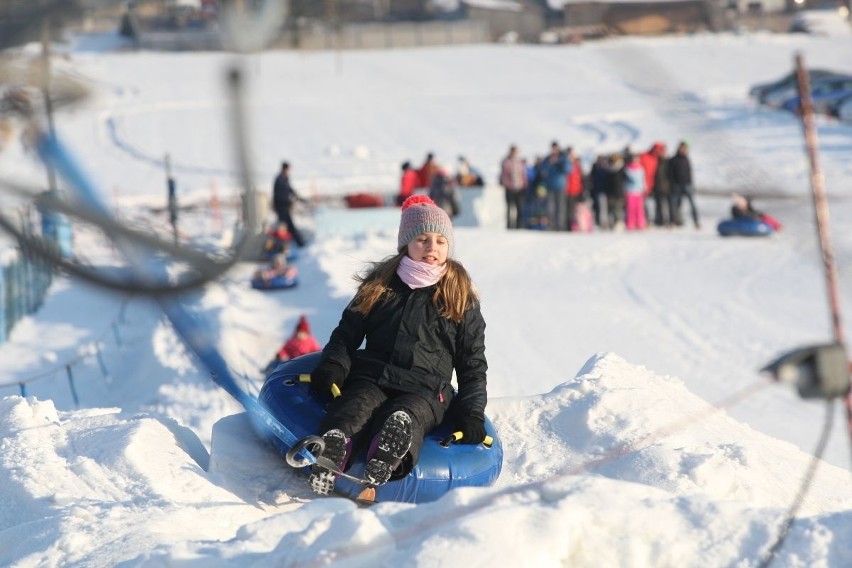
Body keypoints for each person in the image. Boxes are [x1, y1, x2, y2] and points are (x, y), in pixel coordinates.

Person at [306, 194, 488, 495]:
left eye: (441, 241)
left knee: (406, 415)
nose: (432, 248)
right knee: (354, 406)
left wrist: (471, 412)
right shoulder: (380, 285)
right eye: (422, 239)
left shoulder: (459, 295)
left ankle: (389, 455)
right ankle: (334, 451)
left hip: (427, 389)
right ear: (406, 243)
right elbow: (347, 333)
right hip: (373, 375)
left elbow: (472, 362)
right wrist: (334, 365)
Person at [272, 161, 307, 247]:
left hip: (285, 207)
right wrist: (287, 201)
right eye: (288, 169)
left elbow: (290, 190)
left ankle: (295, 244)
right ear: (284, 169)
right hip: (281, 208)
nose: (289, 171)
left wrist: (299, 198)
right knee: (285, 227)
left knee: (287, 227)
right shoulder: (279, 179)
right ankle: (299, 244)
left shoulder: (285, 178)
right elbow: (278, 195)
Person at [669, 141, 700, 230]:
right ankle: (672, 222)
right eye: (682, 148)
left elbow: (689, 173)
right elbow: (670, 173)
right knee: (674, 205)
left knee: (692, 204)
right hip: (676, 185)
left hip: (687, 185)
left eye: (685, 149)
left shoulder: (686, 159)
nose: (683, 150)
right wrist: (673, 184)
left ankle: (696, 222)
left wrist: (691, 183)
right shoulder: (674, 160)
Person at [499, 145, 528, 229]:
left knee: (519, 207)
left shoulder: (520, 162)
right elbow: (504, 175)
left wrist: (524, 184)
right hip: (509, 188)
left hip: (519, 188)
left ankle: (518, 226)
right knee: (509, 208)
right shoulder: (506, 162)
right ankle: (509, 226)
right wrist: (507, 184)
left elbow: (523, 175)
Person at [622, 152, 647, 231]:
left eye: (636, 159)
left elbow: (642, 180)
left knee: (639, 209)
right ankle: (630, 224)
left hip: (639, 192)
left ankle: (640, 224)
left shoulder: (641, 169)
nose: (635, 161)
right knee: (630, 209)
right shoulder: (627, 169)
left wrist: (644, 188)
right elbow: (628, 180)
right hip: (630, 192)